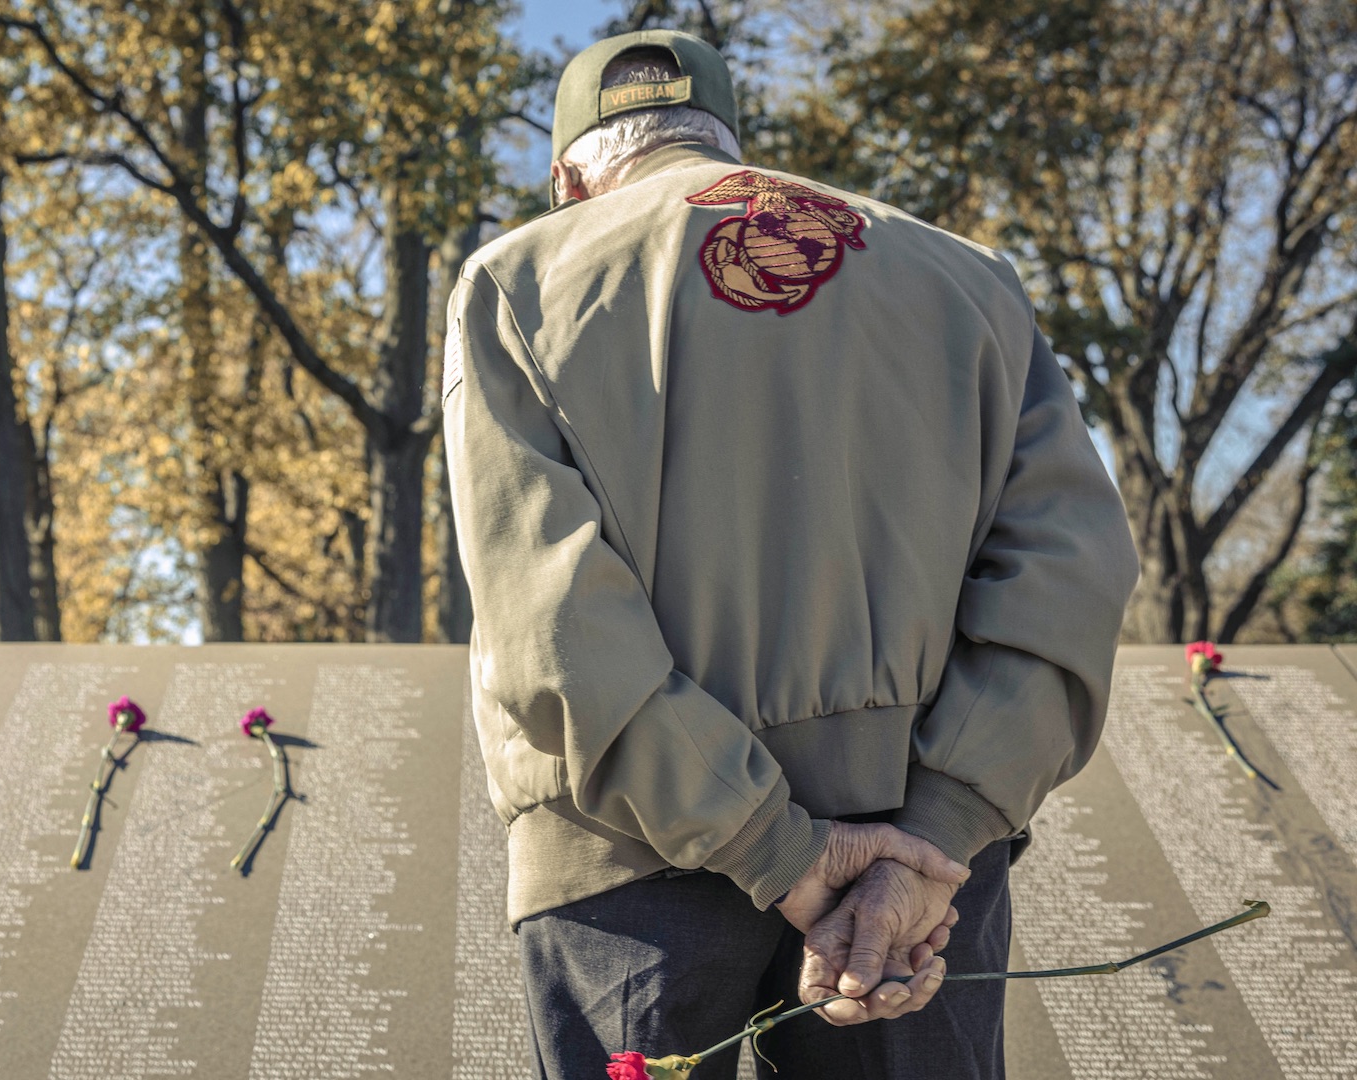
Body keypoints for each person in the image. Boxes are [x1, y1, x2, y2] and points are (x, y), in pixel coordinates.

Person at [441, 29, 1139, 1080]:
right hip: (919, 875)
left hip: (633, 870)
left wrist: (781, 851)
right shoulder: (971, 282)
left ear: (567, 176)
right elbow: (1070, 580)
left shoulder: (515, 285)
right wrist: (940, 830)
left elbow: (553, 629)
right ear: (728, 142)